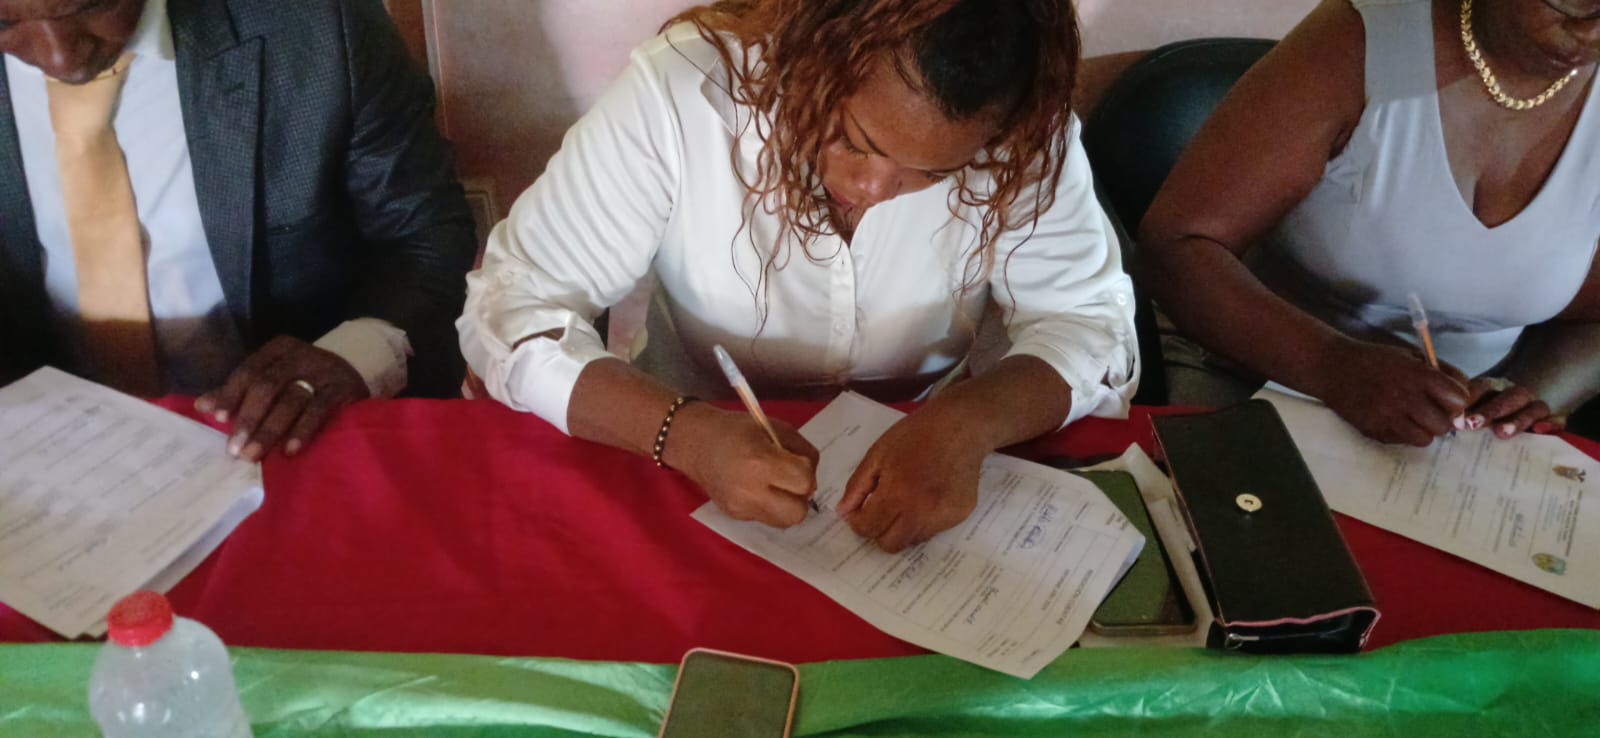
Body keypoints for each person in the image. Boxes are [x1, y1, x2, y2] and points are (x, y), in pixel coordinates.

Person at [459, 0, 1138, 552]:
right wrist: (686, 435)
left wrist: (965, 423)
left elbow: (1089, 324)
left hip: (924, 449)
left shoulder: (1022, 134)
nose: (872, 189)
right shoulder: (685, 92)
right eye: (852, 139)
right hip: (682, 443)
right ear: (812, 52)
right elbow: (510, 310)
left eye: (933, 173)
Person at [0, 0, 477, 460]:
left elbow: (424, 233)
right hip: (48, 450)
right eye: (5, 23)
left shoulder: (321, 27)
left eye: (92, 5)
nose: (59, 58)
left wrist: (357, 352)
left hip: (290, 441)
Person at [1140, 0, 1600, 447]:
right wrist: (1330, 365)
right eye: (1575, 4)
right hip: (1256, 373)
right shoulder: (1361, 41)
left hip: (1458, 436)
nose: (1592, 31)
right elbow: (1176, 244)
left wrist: (1520, 398)